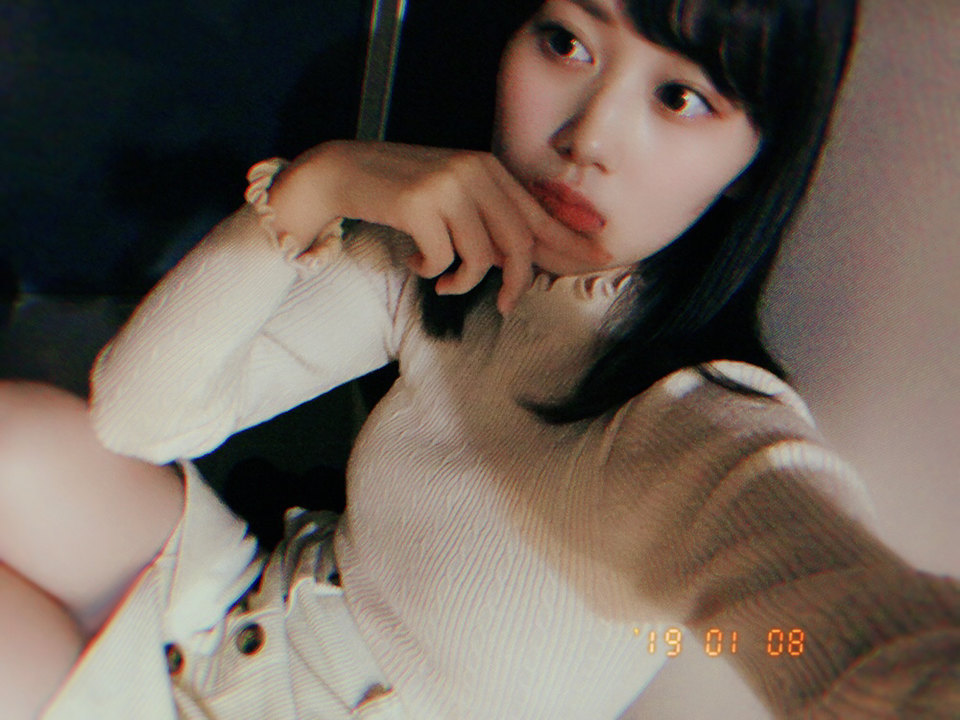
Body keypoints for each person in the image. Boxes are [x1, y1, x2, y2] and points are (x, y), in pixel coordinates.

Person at [0, 0, 957, 717]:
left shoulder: (690, 425)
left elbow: (851, 647)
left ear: (756, 160)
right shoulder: (448, 262)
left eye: (680, 96)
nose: (586, 137)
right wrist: (315, 188)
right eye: (566, 42)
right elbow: (142, 417)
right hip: (241, 615)